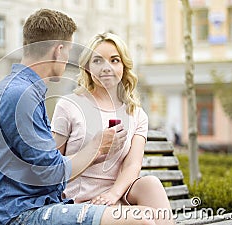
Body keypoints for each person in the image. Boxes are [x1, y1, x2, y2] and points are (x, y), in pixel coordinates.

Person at [0, 8, 164, 225]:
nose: (67, 60)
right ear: (59, 51)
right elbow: (52, 173)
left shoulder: (19, 90)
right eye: (69, 52)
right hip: (15, 214)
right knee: (142, 220)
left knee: (149, 209)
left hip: (29, 207)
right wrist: (97, 146)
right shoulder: (21, 96)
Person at [51, 32, 174, 224]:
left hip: (117, 196)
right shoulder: (69, 105)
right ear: (87, 67)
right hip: (79, 201)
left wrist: (113, 194)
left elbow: (133, 164)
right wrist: (94, 149)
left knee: (151, 184)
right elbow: (54, 165)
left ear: (123, 66)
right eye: (98, 61)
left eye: (114, 60)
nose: (106, 67)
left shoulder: (136, 113)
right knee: (147, 220)